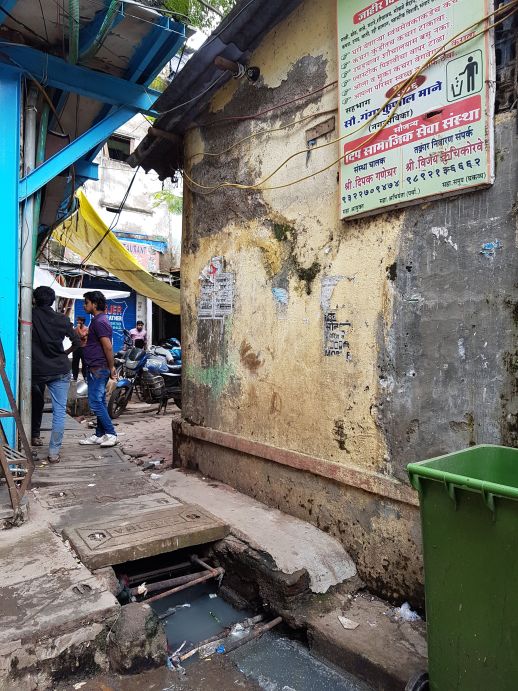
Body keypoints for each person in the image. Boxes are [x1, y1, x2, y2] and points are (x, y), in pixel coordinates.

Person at [31, 286, 80, 463]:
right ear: (52, 301)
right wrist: (64, 354)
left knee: (31, 403)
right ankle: (53, 453)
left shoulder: (28, 316)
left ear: (34, 300)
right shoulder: (62, 319)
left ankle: (31, 439)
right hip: (60, 369)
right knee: (59, 412)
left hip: (35, 370)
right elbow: (77, 342)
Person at [79, 290, 118, 447]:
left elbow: (108, 347)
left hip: (98, 367)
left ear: (94, 304)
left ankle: (111, 434)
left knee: (95, 402)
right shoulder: (98, 320)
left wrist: (111, 366)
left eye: (86, 303)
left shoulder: (99, 322)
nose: (84, 305)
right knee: (100, 400)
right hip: (97, 366)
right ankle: (99, 434)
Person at [72, 316, 88, 381]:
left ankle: (85, 376)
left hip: (83, 348)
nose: (77, 322)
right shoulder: (75, 329)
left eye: (79, 321)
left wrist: (78, 328)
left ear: (82, 322)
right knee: (75, 362)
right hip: (76, 348)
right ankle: (75, 376)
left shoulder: (86, 328)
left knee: (84, 363)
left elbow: (82, 336)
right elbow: (73, 337)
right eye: (77, 320)